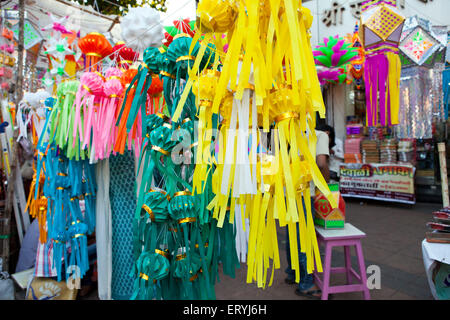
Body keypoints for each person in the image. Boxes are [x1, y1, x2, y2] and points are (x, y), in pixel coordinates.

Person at [285, 125, 331, 299]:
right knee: (304, 238)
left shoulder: (290, 133)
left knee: (292, 234)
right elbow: (321, 163)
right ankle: (306, 283)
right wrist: (326, 180)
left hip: (287, 191)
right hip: (304, 193)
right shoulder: (320, 136)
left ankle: (292, 273)